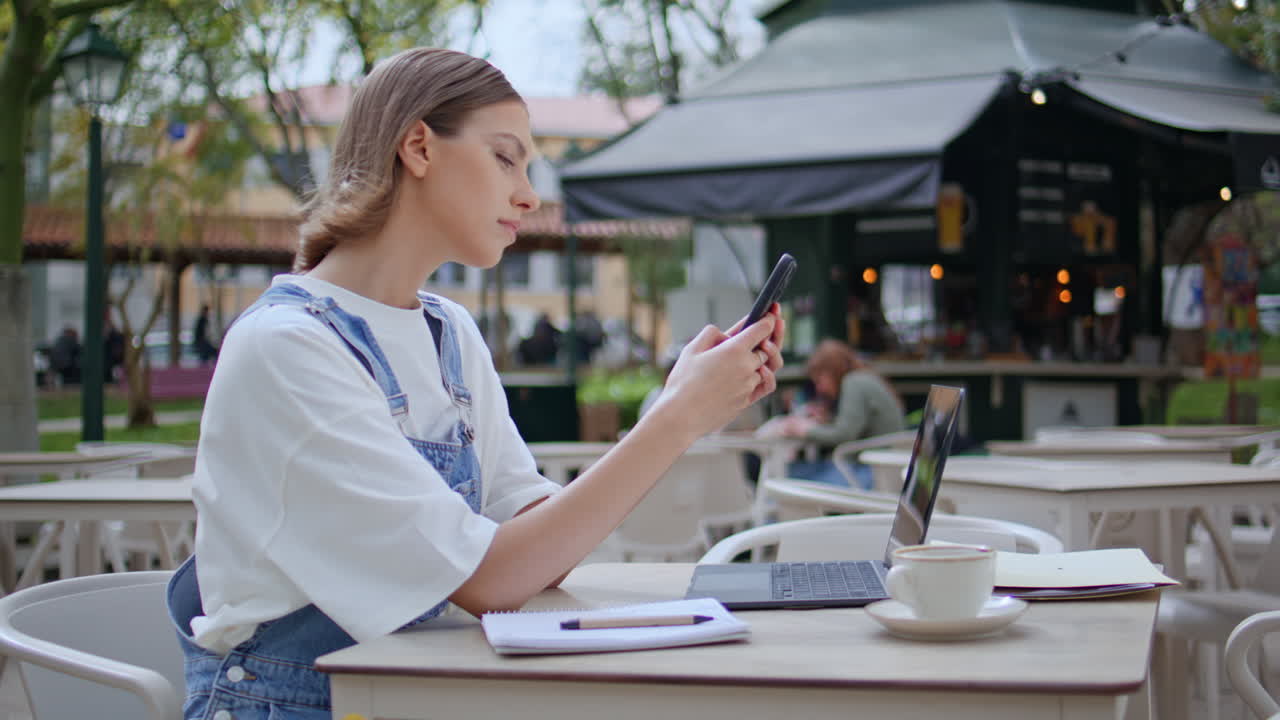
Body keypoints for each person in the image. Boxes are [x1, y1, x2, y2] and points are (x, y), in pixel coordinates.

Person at [166, 47, 784, 720]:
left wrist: (679, 405)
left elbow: (535, 558)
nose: (529, 194)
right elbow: (492, 580)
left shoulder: (447, 332)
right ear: (418, 147)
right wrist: (676, 418)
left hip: (416, 690)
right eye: (504, 157)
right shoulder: (286, 350)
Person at [778, 339, 904, 487]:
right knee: (794, 471)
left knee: (787, 476)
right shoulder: (862, 378)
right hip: (885, 470)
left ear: (831, 371)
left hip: (869, 473)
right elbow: (856, 428)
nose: (819, 389)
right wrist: (827, 420)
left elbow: (844, 434)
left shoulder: (853, 383)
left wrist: (805, 430)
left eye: (819, 380)